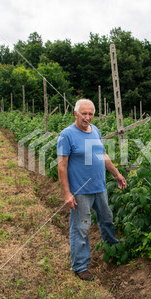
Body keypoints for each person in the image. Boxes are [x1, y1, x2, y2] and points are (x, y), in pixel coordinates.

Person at [57, 98, 127, 281]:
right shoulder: (66, 135)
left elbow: (102, 155)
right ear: (75, 114)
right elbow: (62, 165)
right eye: (84, 113)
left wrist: (116, 174)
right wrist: (67, 193)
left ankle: (112, 250)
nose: (87, 117)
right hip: (81, 191)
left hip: (99, 187)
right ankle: (80, 266)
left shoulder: (94, 130)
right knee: (81, 228)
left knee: (107, 220)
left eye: (90, 114)